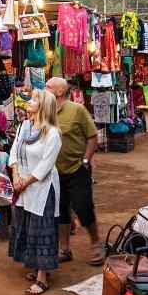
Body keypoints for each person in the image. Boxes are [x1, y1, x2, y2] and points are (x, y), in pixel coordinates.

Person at [8, 89, 63, 295]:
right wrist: (16, 176)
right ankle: (34, 266)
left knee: (42, 229)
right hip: (23, 185)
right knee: (27, 225)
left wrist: (25, 181)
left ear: (43, 107)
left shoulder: (53, 133)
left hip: (42, 188)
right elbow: (14, 152)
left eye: (33, 100)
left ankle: (42, 278)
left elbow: (46, 166)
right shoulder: (24, 126)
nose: (29, 102)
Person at [48, 77, 103, 266]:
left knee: (83, 206)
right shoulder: (45, 112)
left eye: (48, 87)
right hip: (54, 171)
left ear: (59, 91)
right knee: (60, 209)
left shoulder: (77, 110)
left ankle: (96, 244)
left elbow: (92, 136)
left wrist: (86, 160)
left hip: (77, 168)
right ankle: (64, 249)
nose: (44, 89)